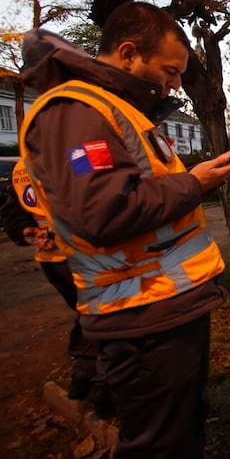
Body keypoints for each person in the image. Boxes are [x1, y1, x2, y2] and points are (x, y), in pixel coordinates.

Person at [19, 1, 230, 457]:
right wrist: (196, 183)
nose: (177, 82)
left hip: (162, 308)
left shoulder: (120, 110)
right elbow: (103, 212)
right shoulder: (75, 112)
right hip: (141, 317)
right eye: (170, 70)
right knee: (160, 447)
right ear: (127, 54)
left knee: (180, 437)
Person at [0, 160, 108, 413]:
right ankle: (93, 384)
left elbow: (12, 213)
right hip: (81, 257)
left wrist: (25, 230)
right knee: (99, 315)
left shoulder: (23, 167)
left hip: (53, 261)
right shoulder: (71, 157)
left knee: (89, 313)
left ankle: (87, 381)